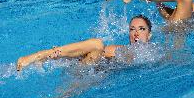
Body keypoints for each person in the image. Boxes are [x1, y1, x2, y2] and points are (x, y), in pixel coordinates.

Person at [16, 15, 152, 71]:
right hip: (87, 70)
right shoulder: (121, 49)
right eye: (132, 29)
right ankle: (41, 55)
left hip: (93, 78)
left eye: (141, 29)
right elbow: (90, 53)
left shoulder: (154, 53)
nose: (136, 33)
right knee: (97, 44)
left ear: (149, 34)